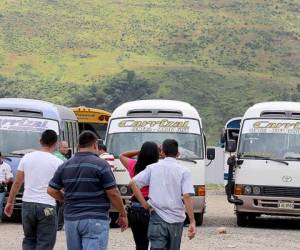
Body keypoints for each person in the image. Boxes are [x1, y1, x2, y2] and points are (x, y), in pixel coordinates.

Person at [47, 131, 128, 250]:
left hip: (71, 220)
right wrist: (122, 213)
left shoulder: (65, 165)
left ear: (78, 146)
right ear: (95, 145)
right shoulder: (101, 164)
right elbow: (113, 193)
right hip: (95, 218)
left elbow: (51, 190)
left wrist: (67, 199)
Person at [129, 139, 196, 250]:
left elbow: (132, 183)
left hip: (157, 217)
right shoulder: (184, 171)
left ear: (162, 152)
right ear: (178, 153)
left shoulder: (152, 168)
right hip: (176, 219)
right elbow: (187, 196)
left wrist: (145, 204)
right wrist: (192, 221)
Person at [4, 130, 63, 250]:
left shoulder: (27, 157)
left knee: (29, 239)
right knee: (45, 242)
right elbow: (62, 187)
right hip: (47, 206)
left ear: (40, 141)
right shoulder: (58, 162)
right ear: (56, 144)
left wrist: (10, 202)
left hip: (27, 205)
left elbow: (17, 182)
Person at [120, 142, 160, 250]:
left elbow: (122, 155)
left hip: (135, 208)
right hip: (152, 208)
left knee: (140, 245)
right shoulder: (157, 168)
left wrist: (141, 151)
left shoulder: (133, 165)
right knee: (157, 244)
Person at [53, 141, 69, 231]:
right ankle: (59, 225)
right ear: (59, 148)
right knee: (63, 204)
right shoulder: (60, 158)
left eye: (67, 147)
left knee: (57, 205)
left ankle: (56, 224)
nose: (67, 149)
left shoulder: (56, 156)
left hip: (54, 184)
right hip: (59, 185)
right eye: (64, 147)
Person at [0, 152, 13, 223]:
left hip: (1, 187)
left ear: (1, 157)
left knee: (0, 202)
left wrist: (4, 181)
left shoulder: (6, 166)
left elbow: (10, 178)